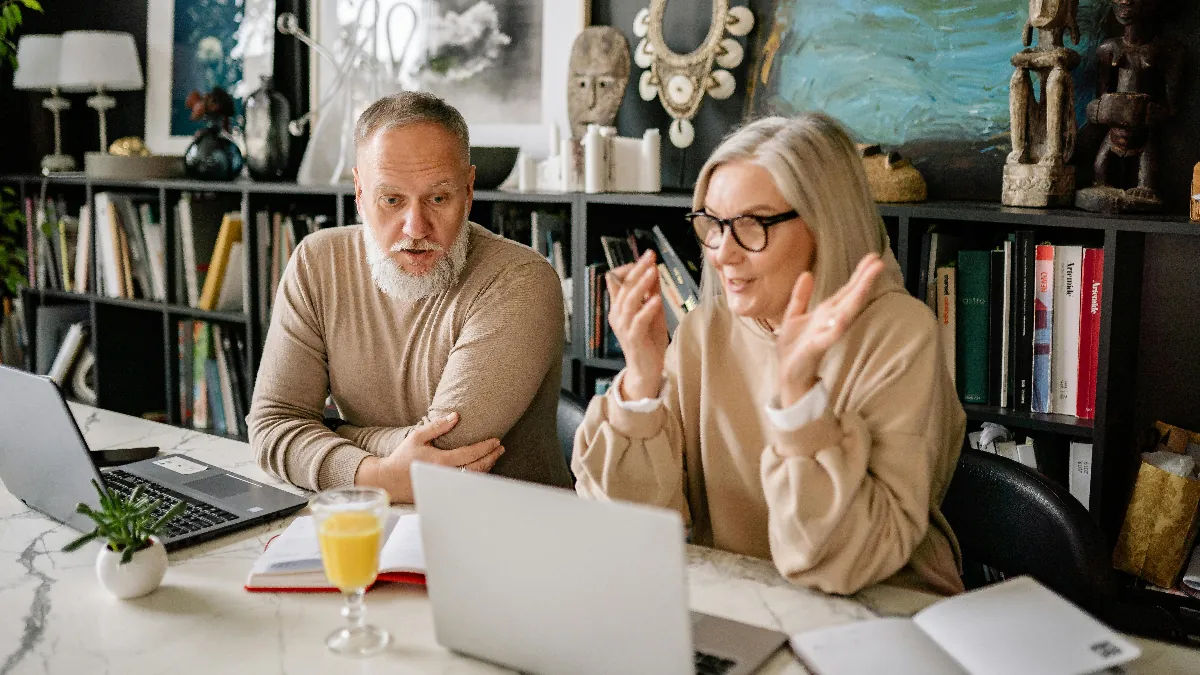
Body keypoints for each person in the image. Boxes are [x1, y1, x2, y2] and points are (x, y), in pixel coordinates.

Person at [572, 113, 966, 596]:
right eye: (712, 224)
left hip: (881, 614)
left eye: (752, 224)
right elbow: (629, 529)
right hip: (746, 604)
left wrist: (799, 400)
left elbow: (842, 562)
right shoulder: (704, 330)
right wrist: (641, 381)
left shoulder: (900, 337)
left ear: (826, 223)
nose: (722, 253)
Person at [250, 91, 572, 502]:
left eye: (438, 198)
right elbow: (272, 426)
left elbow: (443, 455)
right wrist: (378, 475)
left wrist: (330, 432)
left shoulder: (520, 281)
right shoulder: (317, 263)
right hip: (376, 520)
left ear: (469, 191)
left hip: (510, 533)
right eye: (391, 200)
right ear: (359, 193)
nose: (415, 227)